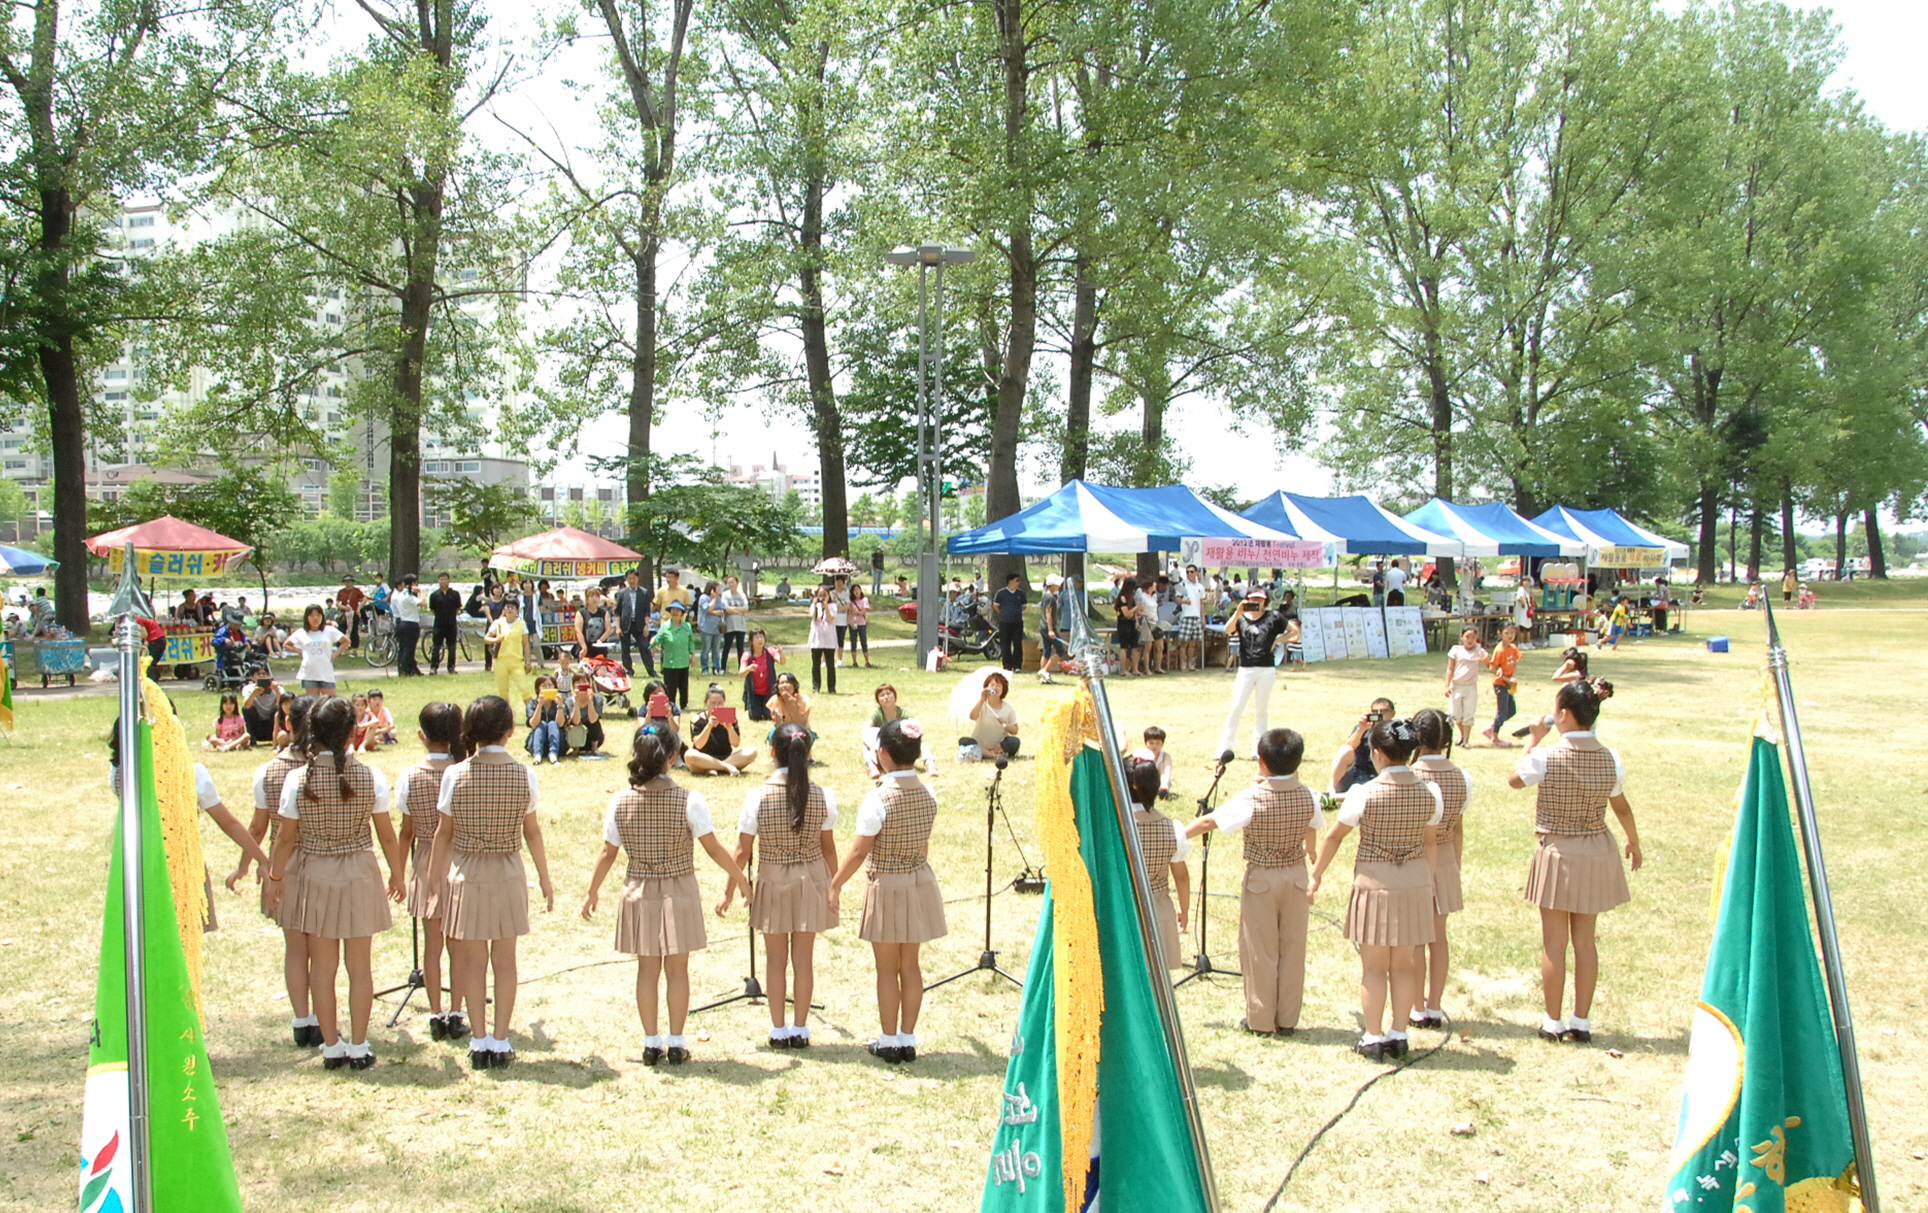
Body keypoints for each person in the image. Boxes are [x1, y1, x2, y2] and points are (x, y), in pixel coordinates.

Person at [583, 723, 751, 1066]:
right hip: (679, 888)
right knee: (678, 970)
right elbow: (714, 848)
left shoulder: (621, 801)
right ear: (673, 758)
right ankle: (676, 1041)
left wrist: (593, 891)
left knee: (647, 970)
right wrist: (741, 881)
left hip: (639, 888)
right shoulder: (690, 800)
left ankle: (650, 1042)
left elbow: (607, 853)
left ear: (635, 754)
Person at [265, 697, 403, 1072]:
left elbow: (285, 839)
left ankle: (330, 1044)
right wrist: (397, 873)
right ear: (350, 733)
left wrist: (276, 877)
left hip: (316, 873)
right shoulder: (371, 776)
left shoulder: (299, 778)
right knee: (360, 967)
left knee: (322, 968)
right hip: (358, 870)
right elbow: (387, 836)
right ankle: (359, 1044)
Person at [1506, 679, 1640, 1044]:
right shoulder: (1610, 757)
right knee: (1585, 941)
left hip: (1560, 851)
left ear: (1562, 714)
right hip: (1597, 847)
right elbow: (1621, 804)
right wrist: (1633, 840)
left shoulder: (1547, 755)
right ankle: (1581, 1020)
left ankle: (1552, 1020)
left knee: (1554, 943)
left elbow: (1514, 780)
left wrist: (1533, 738)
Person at [429, 695, 556, 1069]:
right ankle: (500, 1039)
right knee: (505, 959)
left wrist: (435, 877)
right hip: (507, 870)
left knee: (470, 961)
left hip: (466, 872)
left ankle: (480, 1037)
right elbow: (532, 832)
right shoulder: (524, 773)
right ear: (510, 731)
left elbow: (443, 832)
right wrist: (545, 878)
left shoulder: (455, 773)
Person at [1308, 717, 1442, 1061]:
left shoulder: (1363, 793)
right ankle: (1399, 1033)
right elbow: (1431, 843)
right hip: (1414, 881)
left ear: (1378, 753)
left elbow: (1335, 836)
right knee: (1405, 964)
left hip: (1375, 882)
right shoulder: (1431, 791)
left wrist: (1317, 874)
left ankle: (1373, 1035)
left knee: (1374, 967)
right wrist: (1425, 878)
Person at [1186, 728, 1322, 1035]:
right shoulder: (1308, 795)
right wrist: (1310, 849)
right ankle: (1287, 1019)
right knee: (1292, 948)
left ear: (1260, 761)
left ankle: (1260, 1020)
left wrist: (1180, 834)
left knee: (1260, 950)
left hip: (1262, 875)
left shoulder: (1252, 797)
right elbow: (1313, 824)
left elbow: (1211, 821)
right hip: (1296, 875)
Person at [829, 717, 948, 1063]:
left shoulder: (878, 798)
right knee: (911, 964)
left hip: (888, 883)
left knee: (886, 967)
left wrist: (835, 885)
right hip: (919, 880)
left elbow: (858, 852)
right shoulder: (928, 793)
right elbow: (923, 845)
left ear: (882, 754)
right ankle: (908, 1038)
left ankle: (888, 1039)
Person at [735, 723, 839, 1050]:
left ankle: (778, 1028)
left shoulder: (758, 796)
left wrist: (732, 886)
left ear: (771, 752)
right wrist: (834, 886)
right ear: (808, 753)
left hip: (773, 878)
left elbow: (742, 850)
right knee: (803, 959)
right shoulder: (822, 794)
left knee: (775, 960)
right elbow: (828, 847)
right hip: (812, 878)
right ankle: (801, 1027)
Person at [240, 697, 320, 1043]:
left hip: (282, 864)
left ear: (288, 725)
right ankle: (321, 1014)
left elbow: (258, 826)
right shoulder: (331, 768)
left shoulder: (268, 771)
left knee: (295, 947)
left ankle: (302, 1019)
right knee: (322, 948)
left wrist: (247, 862)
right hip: (319, 859)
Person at [394, 702, 469, 1043]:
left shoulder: (410, 777)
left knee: (432, 943)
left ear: (422, 736)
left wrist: (396, 871)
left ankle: (436, 1011)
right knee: (461, 944)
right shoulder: (465, 770)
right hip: (463, 860)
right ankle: (457, 1010)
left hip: (426, 859)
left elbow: (405, 832)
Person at [1407, 709, 1468, 1030]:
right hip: (1445, 856)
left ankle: (1416, 1005)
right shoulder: (1461, 776)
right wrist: (1454, 865)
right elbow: (1457, 827)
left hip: (1415, 856)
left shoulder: (1410, 775)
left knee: (1416, 939)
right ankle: (1434, 1005)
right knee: (1438, 937)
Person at [1123, 755, 1190, 973]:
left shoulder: (1116, 826)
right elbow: (1181, 876)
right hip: (1158, 907)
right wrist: (1184, 909)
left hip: (1122, 907)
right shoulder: (1173, 828)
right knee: (1156, 977)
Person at [1214, 588, 1289, 760]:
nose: (1257, 603)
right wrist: (1239, 611)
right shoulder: (1241, 618)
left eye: (1260, 600)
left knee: (1261, 710)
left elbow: (1294, 631)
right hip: (1246, 668)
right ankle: (1225, 747)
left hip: (1266, 668)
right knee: (1236, 707)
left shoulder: (1274, 617)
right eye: (1253, 599)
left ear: (1265, 601)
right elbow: (1227, 630)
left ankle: (1258, 749)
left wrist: (1277, 640)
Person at [686, 684, 758, 775]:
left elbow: (736, 743)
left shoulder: (731, 719)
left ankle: (714, 768)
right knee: (689, 755)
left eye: (720, 703)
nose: (716, 706)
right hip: (703, 758)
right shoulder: (698, 719)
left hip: (726, 758)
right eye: (712, 703)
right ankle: (725, 767)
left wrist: (729, 728)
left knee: (752, 752)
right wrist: (709, 726)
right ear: (706, 702)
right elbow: (698, 745)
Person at [1331, 698, 1397, 793]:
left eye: (1383, 711)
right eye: (1375, 712)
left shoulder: (1397, 730)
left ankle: (1335, 797)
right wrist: (1361, 729)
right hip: (1359, 773)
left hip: (1385, 775)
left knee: (1361, 791)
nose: (1379, 714)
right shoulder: (1363, 728)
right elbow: (1350, 747)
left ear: (1393, 713)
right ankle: (1332, 790)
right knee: (1345, 749)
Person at [283, 604, 350, 696]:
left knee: (330, 701)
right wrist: (300, 652)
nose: (315, 618)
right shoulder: (301, 632)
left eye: (318, 615)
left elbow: (346, 641)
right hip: (309, 672)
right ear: (307, 618)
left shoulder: (329, 630)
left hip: (326, 671)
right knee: (313, 701)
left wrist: (335, 655)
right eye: (312, 616)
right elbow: (286, 645)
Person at [1443, 627, 1488, 748]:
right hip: (1457, 685)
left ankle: (1466, 741)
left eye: (1473, 638)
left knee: (1469, 713)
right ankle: (1462, 735)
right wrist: (1447, 685)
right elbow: (1450, 669)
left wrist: (1499, 670)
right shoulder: (1456, 650)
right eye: (1467, 637)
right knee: (1456, 715)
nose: (1470, 640)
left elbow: (1489, 663)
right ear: (1462, 636)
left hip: (1471, 686)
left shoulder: (1479, 651)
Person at [486, 600, 535, 708]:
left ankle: (532, 713)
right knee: (503, 692)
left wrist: (528, 661)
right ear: (503, 609)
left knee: (525, 689)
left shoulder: (521, 624)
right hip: (501, 661)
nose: (509, 610)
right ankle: (506, 717)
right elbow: (486, 638)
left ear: (517, 610)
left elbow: (526, 644)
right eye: (507, 607)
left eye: (512, 607)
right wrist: (496, 640)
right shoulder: (498, 623)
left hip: (516, 661)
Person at [1482, 624, 1522, 747]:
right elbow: (1492, 668)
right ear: (1500, 634)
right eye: (1506, 633)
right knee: (1502, 712)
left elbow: (1513, 664)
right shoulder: (1499, 650)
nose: (1510, 636)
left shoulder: (1514, 648)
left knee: (1512, 710)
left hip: (1509, 683)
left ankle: (1491, 728)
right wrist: (1505, 679)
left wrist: (1513, 677)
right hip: (1501, 684)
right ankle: (1494, 738)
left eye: (1512, 633)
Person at [966, 670, 1020, 760]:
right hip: (980, 744)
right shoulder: (982, 704)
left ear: (1003, 690)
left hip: (999, 745)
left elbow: (1015, 730)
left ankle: (991, 752)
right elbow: (973, 716)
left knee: (1014, 742)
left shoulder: (1008, 708)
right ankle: (993, 755)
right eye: (992, 685)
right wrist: (982, 700)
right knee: (966, 742)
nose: (995, 688)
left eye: (998, 686)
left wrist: (1005, 725)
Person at [616, 569, 656, 678]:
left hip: (640, 624)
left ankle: (651, 670)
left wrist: (646, 625)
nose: (631, 581)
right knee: (625, 649)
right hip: (625, 624)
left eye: (633, 578)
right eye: (629, 578)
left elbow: (647, 611)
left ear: (637, 578)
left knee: (644, 647)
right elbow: (618, 611)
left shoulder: (644, 592)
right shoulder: (622, 593)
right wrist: (618, 627)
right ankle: (628, 670)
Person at [740, 629, 784, 721]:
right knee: (755, 717)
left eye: (761, 637)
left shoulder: (770, 652)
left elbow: (782, 662)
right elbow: (741, 674)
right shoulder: (746, 655)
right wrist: (748, 668)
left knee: (769, 716)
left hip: (768, 691)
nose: (760, 640)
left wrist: (781, 654)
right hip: (754, 693)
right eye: (756, 637)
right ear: (751, 641)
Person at [526, 674, 567, 765]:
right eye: (544, 686)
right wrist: (539, 705)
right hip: (537, 742)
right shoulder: (532, 704)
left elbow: (560, 724)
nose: (547, 688)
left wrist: (560, 706)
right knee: (542, 724)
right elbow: (533, 724)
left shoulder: (561, 702)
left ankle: (553, 754)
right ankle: (537, 755)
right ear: (538, 689)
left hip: (558, 744)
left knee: (552, 723)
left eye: (550, 685)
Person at [427, 573, 463, 675]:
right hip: (439, 623)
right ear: (438, 581)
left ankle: (451, 667)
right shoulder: (434, 595)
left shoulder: (454, 594)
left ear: (449, 580)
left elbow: (457, 608)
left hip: (451, 623)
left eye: (445, 579)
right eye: (441, 579)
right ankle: (434, 667)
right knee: (436, 646)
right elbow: (432, 609)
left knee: (452, 646)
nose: (443, 581)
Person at [992, 571, 1027, 674]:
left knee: (1017, 644)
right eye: (1017, 580)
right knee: (1005, 644)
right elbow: (996, 606)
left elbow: (1023, 606)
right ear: (1010, 581)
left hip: (1017, 623)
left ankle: (1017, 665)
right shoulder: (1001, 593)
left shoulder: (1020, 593)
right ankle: (1007, 665)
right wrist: (1004, 612)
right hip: (1005, 622)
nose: (1018, 582)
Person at [1036, 574, 1068, 683]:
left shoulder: (1045, 595)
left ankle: (1043, 676)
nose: (1059, 586)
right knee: (1061, 650)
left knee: (1047, 650)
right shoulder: (1050, 597)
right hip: (1048, 628)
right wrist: (1051, 629)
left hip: (1043, 627)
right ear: (1053, 585)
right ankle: (1044, 671)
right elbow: (1048, 613)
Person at [1175, 565, 1207, 671]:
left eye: (1191, 572)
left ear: (1197, 573)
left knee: (1193, 643)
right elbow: (1176, 598)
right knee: (1184, 643)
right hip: (1186, 616)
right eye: (1187, 572)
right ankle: (1183, 665)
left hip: (1196, 616)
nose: (1189, 574)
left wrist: (1203, 619)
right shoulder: (1182, 585)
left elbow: (1202, 604)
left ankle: (1190, 664)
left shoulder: (1200, 587)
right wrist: (1184, 602)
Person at [565, 675, 606, 758]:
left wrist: (590, 701)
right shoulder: (569, 701)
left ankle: (594, 748)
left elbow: (593, 719)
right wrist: (576, 702)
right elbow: (575, 721)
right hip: (576, 738)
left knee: (593, 720)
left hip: (595, 738)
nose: (582, 684)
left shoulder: (597, 698)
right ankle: (577, 748)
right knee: (576, 722)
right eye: (578, 683)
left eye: (584, 682)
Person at [807, 584, 838, 694]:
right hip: (817, 638)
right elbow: (814, 617)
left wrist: (826, 608)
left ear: (829, 596)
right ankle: (816, 687)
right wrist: (816, 606)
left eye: (824, 595)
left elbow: (830, 619)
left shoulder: (833, 606)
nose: (822, 597)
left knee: (830, 664)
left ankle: (831, 687)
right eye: (820, 595)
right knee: (816, 664)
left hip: (829, 638)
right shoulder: (814, 606)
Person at [391, 574, 424, 675]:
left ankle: (403, 668)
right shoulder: (409, 597)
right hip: (411, 623)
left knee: (403, 647)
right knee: (409, 648)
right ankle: (407, 668)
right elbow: (422, 603)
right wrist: (421, 592)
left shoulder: (400, 594)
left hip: (402, 622)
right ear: (413, 583)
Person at [241, 667, 282, 747]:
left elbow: (282, 705)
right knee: (247, 709)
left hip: (272, 722)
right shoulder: (248, 689)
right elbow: (247, 706)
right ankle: (252, 739)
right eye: (258, 674)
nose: (261, 676)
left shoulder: (277, 688)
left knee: (278, 709)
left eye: (264, 674)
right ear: (252, 677)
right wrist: (254, 694)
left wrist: (277, 691)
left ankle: (276, 737)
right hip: (257, 722)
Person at [1114, 576, 1144, 676]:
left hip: (1132, 623)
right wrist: (1136, 608)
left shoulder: (1132, 598)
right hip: (1124, 623)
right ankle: (1123, 669)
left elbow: (1134, 614)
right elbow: (1126, 613)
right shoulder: (1123, 598)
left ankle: (1135, 669)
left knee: (1135, 647)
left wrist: (1136, 621)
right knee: (1124, 647)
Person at [769, 671, 814, 737]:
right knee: (772, 735)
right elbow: (777, 726)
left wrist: (792, 705)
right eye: (781, 683)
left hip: (801, 730)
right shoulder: (774, 700)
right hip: (783, 730)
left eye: (787, 682)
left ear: (794, 685)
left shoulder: (804, 700)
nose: (784, 686)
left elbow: (802, 724)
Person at [720, 574, 750, 670]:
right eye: (729, 583)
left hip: (740, 625)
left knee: (740, 647)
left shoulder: (742, 595)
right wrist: (739, 611)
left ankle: (741, 667)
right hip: (729, 624)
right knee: (727, 646)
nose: (730, 584)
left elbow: (746, 608)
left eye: (732, 582)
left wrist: (735, 609)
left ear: (737, 583)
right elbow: (727, 609)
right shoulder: (725, 594)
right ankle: (723, 667)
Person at [696, 581, 725, 676]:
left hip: (717, 628)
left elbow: (722, 610)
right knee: (706, 649)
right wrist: (714, 599)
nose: (719, 590)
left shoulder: (719, 599)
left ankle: (716, 668)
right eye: (717, 588)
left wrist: (714, 611)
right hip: (706, 628)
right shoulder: (703, 598)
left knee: (716, 650)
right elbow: (708, 609)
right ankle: (705, 668)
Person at [1138, 725, 1174, 795]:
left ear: (1162, 744)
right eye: (1151, 743)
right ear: (1146, 743)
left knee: (1162, 765)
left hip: (1161, 781)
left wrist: (1165, 782)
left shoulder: (1164, 756)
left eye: (1158, 743)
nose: (1154, 746)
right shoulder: (1142, 754)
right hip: (1145, 781)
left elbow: (1167, 769)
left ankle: (1163, 788)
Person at [336, 575, 366, 653]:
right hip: (344, 614)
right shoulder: (341, 592)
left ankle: (354, 649)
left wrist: (358, 608)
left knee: (354, 631)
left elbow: (364, 599)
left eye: (350, 582)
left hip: (354, 614)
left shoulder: (357, 591)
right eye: (346, 582)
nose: (348, 583)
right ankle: (340, 648)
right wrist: (344, 607)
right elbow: (337, 602)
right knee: (341, 630)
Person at [847, 583, 873, 668]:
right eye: (854, 590)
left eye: (858, 590)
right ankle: (854, 662)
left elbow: (863, 611)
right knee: (853, 643)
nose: (856, 592)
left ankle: (867, 661)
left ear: (860, 590)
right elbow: (848, 614)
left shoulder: (864, 599)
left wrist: (856, 612)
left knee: (864, 642)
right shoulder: (850, 602)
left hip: (862, 623)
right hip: (853, 624)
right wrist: (851, 623)